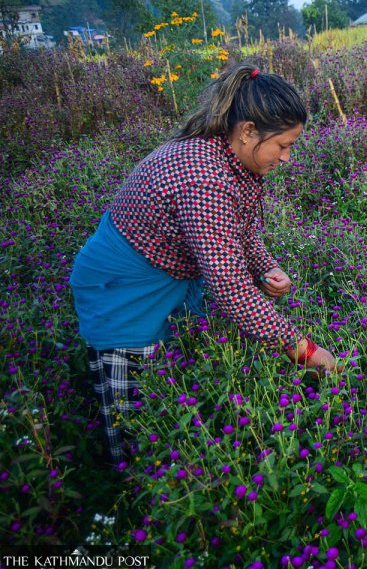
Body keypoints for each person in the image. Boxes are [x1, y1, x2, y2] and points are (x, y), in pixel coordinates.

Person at [70, 63, 337, 463]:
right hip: (125, 287)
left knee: (172, 377)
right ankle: (131, 485)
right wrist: (304, 350)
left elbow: (239, 228)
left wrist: (265, 265)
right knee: (133, 414)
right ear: (247, 131)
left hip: (168, 273)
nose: (286, 157)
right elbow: (229, 288)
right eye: (282, 145)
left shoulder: (230, 155)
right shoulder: (204, 179)